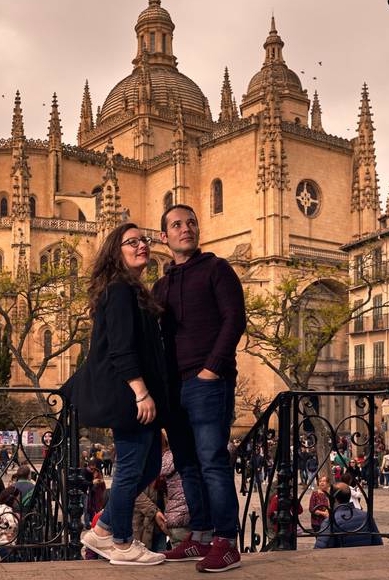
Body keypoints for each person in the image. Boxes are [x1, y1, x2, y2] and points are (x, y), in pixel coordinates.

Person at [62, 222, 171, 566]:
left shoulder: (134, 290)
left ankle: (106, 529)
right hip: (128, 394)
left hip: (140, 393)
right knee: (130, 466)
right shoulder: (120, 289)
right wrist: (141, 392)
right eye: (132, 242)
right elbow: (121, 349)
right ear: (115, 251)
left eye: (144, 240)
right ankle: (121, 541)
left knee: (150, 462)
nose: (142, 246)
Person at [153, 204, 246, 572]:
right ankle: (201, 536)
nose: (185, 228)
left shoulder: (216, 269)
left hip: (207, 383)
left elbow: (234, 320)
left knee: (212, 461)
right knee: (187, 464)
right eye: (176, 224)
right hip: (174, 389)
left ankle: (226, 542)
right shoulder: (161, 285)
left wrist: (212, 369)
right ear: (165, 236)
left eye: (191, 222)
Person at [313, 484, 383, 549]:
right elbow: (377, 541)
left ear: (334, 499)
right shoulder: (366, 516)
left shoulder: (330, 521)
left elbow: (320, 548)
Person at [0, 486, 22, 562]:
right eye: (18, 497)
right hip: (6, 543)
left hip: (0, 542)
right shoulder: (7, 510)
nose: (18, 500)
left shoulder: (0, 506)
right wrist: (18, 519)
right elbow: (12, 525)